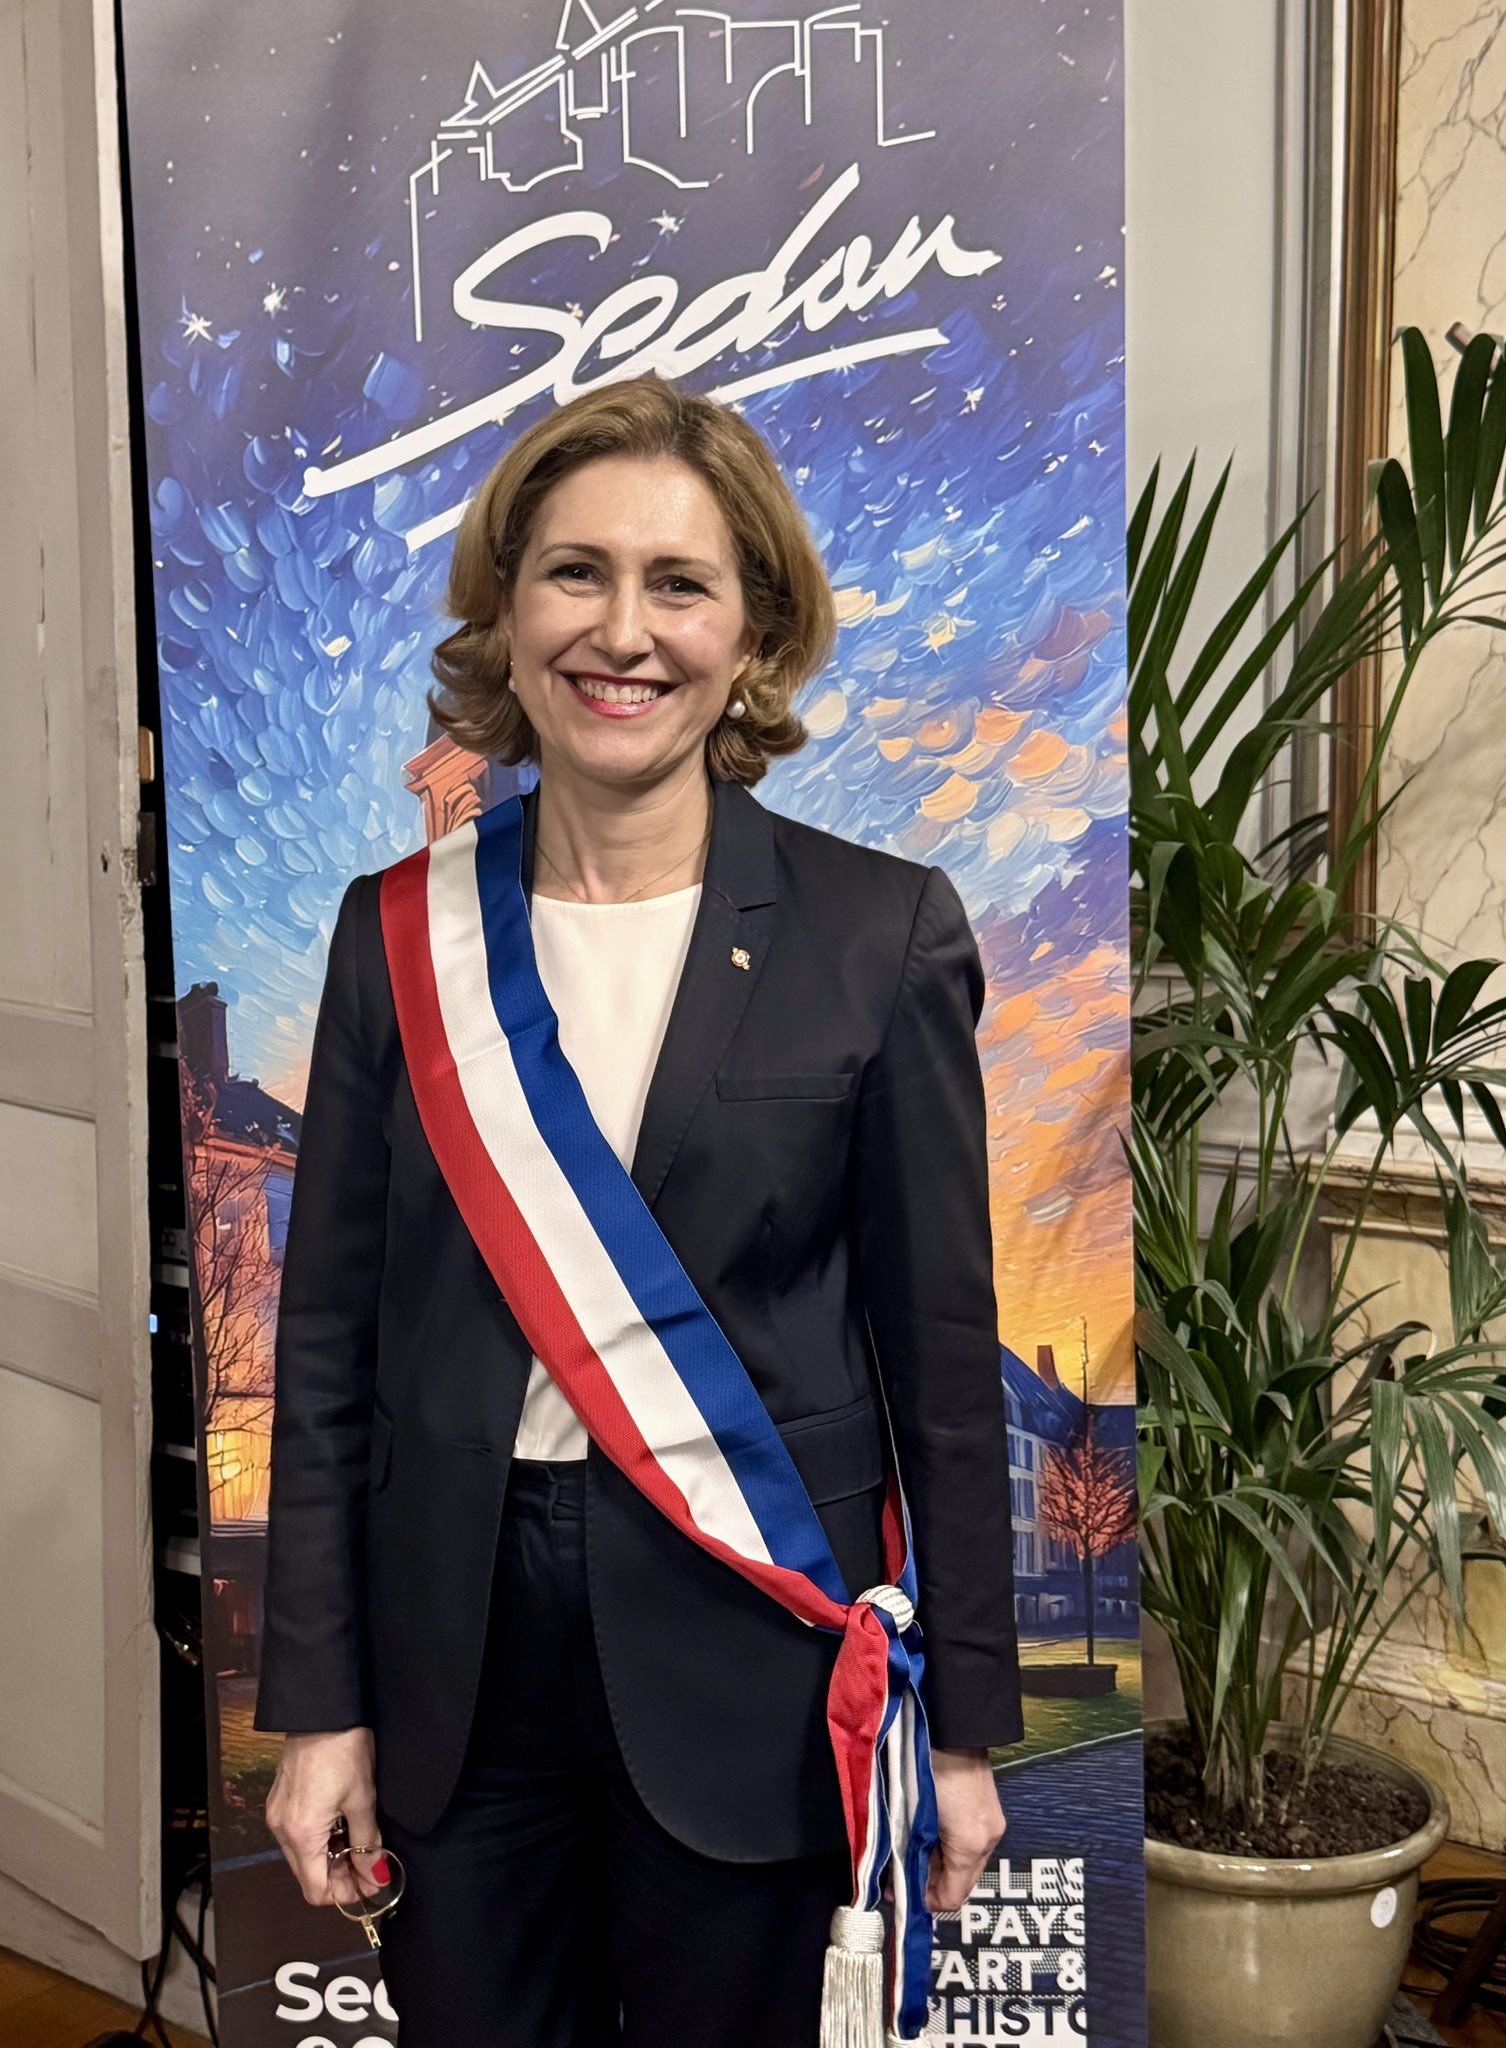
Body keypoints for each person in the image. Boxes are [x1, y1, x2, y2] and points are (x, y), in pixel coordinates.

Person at [255, 377, 1022, 2047]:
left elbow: (941, 1365)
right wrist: (318, 1709)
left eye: (678, 583)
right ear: (504, 611)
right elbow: (322, 1353)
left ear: (754, 635)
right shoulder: (395, 934)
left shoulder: (878, 933)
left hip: (750, 1641)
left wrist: (962, 1728)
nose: (622, 631)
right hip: (456, 1652)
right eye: (573, 572)